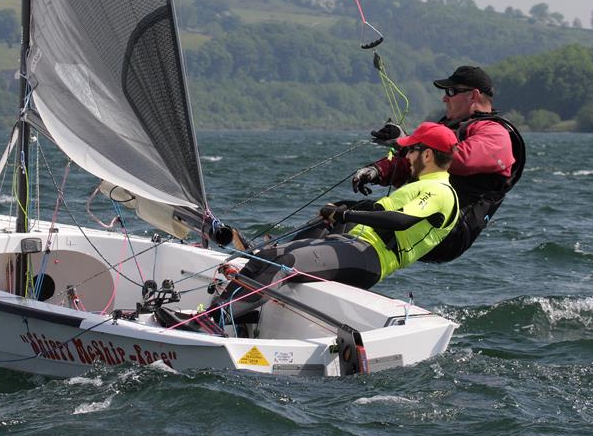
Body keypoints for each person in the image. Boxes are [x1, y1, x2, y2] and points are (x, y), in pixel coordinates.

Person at [215, 122, 460, 321]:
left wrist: (345, 215)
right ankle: (220, 312)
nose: (405, 156)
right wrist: (343, 206)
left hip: (370, 258)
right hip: (352, 244)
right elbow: (377, 209)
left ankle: (216, 320)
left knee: (286, 261)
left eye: (410, 150)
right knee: (269, 254)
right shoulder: (420, 185)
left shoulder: (440, 191)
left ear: (427, 154)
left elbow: (400, 220)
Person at [353, 66, 526, 263]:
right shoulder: (449, 128)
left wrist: (406, 141)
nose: (445, 98)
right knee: (345, 212)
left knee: (355, 219)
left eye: (451, 92)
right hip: (419, 216)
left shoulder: (496, 133)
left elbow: (459, 159)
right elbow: (416, 162)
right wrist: (376, 170)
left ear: (474, 95)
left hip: (449, 230)